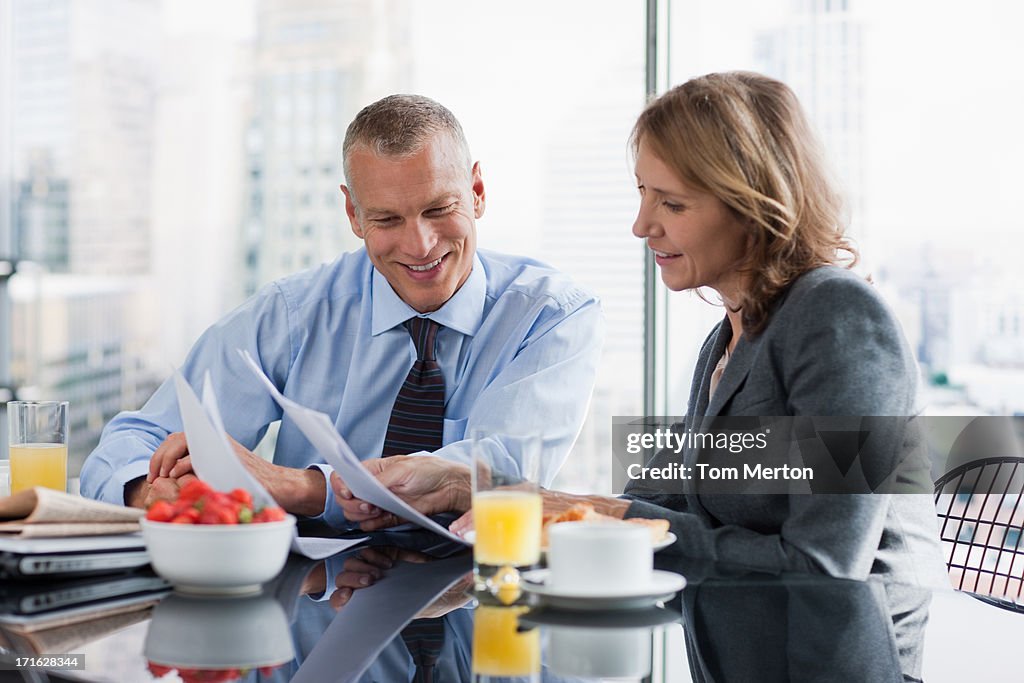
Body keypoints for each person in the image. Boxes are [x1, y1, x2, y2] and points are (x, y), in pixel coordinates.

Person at [332, 73, 945, 677]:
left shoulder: (837, 320)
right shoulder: (730, 340)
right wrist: (477, 492)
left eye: (672, 203)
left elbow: (822, 566)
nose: (642, 225)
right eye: (643, 194)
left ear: (751, 203)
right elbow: (670, 502)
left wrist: (591, 512)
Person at [79, 94, 604, 529]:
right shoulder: (295, 312)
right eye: (387, 219)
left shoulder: (551, 316)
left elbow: (503, 471)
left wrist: (301, 487)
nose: (419, 244)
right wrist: (155, 493)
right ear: (353, 214)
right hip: (315, 598)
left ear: (478, 192)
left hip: (486, 604)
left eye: (439, 209)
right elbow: (132, 441)